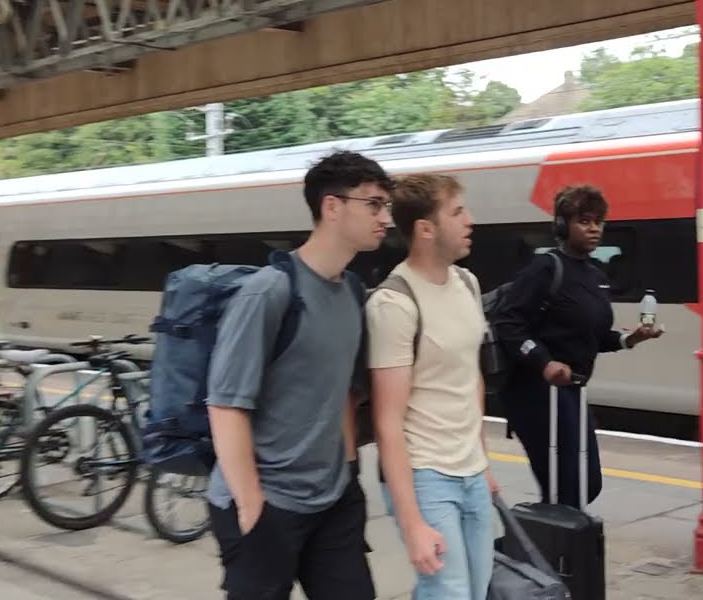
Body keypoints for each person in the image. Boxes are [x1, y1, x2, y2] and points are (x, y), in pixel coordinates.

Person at [205, 150, 394, 600]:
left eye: (386, 206)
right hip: (268, 503)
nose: (386, 218)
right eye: (374, 204)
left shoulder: (350, 291)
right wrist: (252, 506)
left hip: (332, 501)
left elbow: (346, 394)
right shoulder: (270, 292)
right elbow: (226, 404)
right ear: (332, 207)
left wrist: (348, 476)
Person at [367, 173, 499, 600]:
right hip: (427, 476)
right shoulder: (394, 303)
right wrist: (413, 524)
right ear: (425, 229)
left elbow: (470, 378)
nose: (470, 220)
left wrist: (483, 460)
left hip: (472, 471)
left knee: (476, 591)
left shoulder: (468, 284)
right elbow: (388, 421)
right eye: (457, 212)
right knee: (449, 592)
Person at [496, 185, 663, 508]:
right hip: (535, 391)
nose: (594, 229)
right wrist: (545, 363)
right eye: (584, 221)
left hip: (572, 389)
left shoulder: (596, 276)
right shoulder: (545, 269)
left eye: (599, 222)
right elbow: (508, 323)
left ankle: (536, 549)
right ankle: (533, 551)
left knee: (586, 484)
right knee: (564, 487)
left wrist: (632, 338)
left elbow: (594, 337)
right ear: (562, 225)